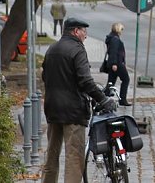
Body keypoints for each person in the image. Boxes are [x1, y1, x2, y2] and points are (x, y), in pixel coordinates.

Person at [41, 17, 116, 183]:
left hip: (52, 109)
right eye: (84, 31)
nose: (86, 35)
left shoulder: (52, 49)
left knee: (51, 155)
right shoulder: (77, 49)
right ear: (76, 31)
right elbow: (86, 81)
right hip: (73, 112)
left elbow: (45, 77)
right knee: (74, 157)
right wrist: (103, 99)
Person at [105, 22, 130, 106]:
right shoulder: (115, 39)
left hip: (113, 63)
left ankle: (103, 98)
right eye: (121, 29)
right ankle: (122, 100)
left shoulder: (112, 37)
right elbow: (113, 52)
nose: (122, 31)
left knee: (111, 83)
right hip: (117, 63)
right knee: (126, 79)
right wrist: (114, 64)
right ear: (118, 29)